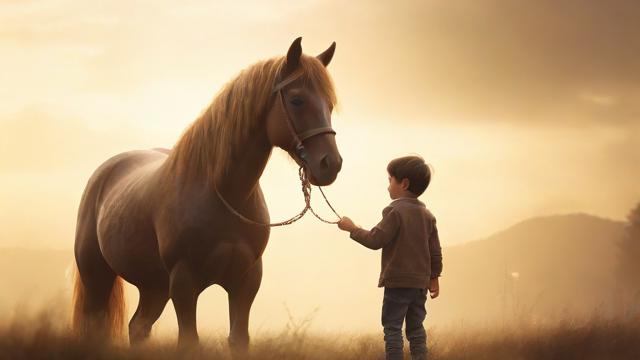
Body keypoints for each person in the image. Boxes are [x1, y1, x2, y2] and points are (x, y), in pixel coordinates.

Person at [337, 155, 443, 360]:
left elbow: (376, 240)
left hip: (397, 282)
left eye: (390, 180)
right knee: (416, 329)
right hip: (420, 284)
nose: (388, 186)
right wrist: (434, 276)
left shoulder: (394, 211)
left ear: (404, 183)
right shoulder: (427, 215)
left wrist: (352, 228)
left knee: (392, 329)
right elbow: (435, 250)